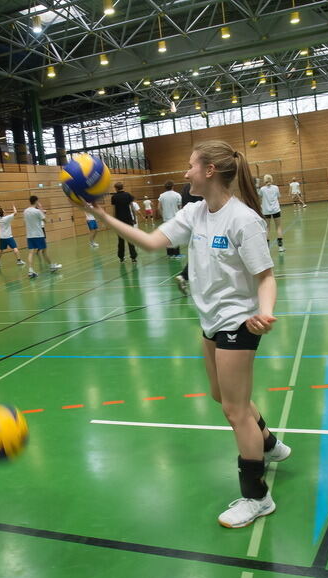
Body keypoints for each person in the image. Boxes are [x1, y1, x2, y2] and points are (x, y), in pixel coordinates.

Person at [72, 140, 290, 529]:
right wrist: (101, 216)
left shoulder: (244, 220)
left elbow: (266, 277)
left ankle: (257, 497)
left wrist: (265, 312)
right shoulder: (196, 212)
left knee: (234, 410)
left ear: (209, 171)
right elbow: (153, 242)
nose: (186, 172)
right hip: (210, 320)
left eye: (191, 166)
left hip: (238, 321)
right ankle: (269, 444)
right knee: (221, 395)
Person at [174, 182, 204, 294]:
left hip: (190, 223)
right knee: (202, 254)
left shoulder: (185, 188)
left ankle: (184, 276)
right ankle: (185, 275)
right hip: (202, 224)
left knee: (197, 253)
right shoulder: (200, 186)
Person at [23, 195, 61, 278]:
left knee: (31, 252)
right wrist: (40, 209)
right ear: (36, 201)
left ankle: (30, 270)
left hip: (29, 235)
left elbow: (25, 222)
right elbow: (46, 221)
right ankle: (52, 266)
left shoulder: (25, 211)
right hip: (39, 235)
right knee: (44, 251)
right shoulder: (37, 211)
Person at [110, 182, 139, 263]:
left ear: (116, 188)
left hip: (119, 221)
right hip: (128, 220)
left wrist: (113, 220)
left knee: (121, 240)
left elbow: (114, 210)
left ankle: (121, 258)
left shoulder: (114, 197)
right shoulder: (128, 195)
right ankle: (133, 258)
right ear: (122, 187)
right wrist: (134, 218)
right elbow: (132, 207)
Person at [258, 174, 284, 253]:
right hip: (276, 210)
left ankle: (267, 248)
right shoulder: (276, 188)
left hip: (266, 211)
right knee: (278, 227)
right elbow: (279, 196)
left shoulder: (262, 189)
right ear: (271, 180)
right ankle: (280, 247)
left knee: (267, 228)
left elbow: (259, 196)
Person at [158, 180, 183, 258]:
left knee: (167, 236)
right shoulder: (177, 195)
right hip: (175, 218)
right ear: (173, 186)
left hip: (166, 219)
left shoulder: (161, 196)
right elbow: (180, 207)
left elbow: (159, 208)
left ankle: (169, 254)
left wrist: (163, 216)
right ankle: (176, 254)